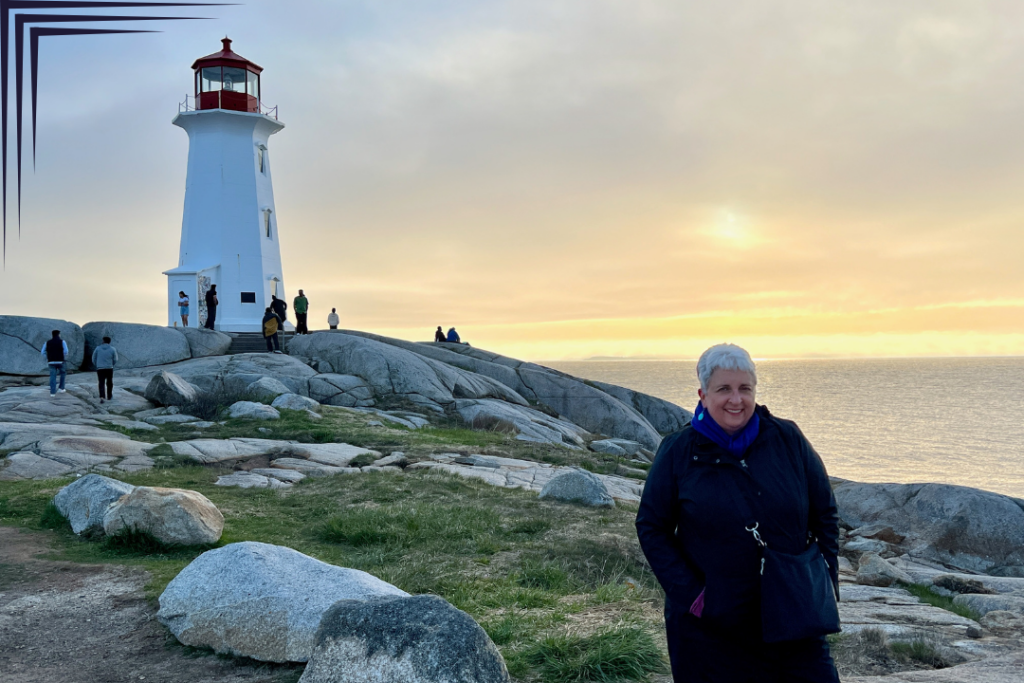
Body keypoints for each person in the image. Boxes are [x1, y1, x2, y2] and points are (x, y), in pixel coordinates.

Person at [635, 343, 840, 683]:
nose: (736, 400)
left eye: (745, 389)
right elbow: (651, 527)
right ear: (703, 395)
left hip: (794, 616)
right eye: (723, 389)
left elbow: (826, 513)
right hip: (712, 628)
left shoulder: (787, 438)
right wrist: (696, 598)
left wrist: (824, 577)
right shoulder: (678, 452)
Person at [40, 330, 69, 397]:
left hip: (51, 361)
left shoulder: (47, 342)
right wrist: (62, 356)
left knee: (53, 376)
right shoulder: (62, 341)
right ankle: (61, 388)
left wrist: (47, 357)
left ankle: (52, 392)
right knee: (63, 373)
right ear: (59, 335)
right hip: (60, 361)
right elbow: (66, 351)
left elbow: (42, 352)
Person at [91, 336, 119, 404]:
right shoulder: (112, 349)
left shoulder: (98, 348)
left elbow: (93, 358)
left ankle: (102, 397)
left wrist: (97, 365)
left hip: (100, 368)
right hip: (109, 368)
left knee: (101, 382)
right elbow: (115, 359)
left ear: (103, 341)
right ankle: (109, 396)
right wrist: (111, 364)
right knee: (109, 382)